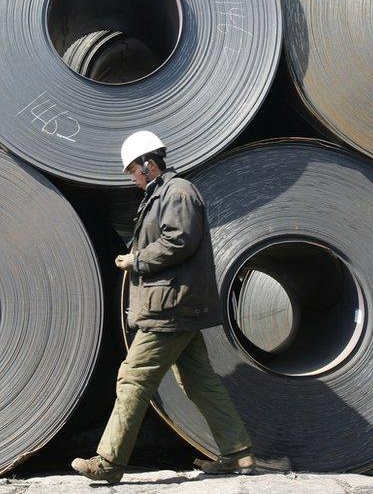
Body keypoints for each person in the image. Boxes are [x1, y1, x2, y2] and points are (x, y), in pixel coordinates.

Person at [71, 131, 255, 484]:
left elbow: (179, 240)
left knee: (133, 378)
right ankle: (238, 453)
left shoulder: (178, 192)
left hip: (171, 307)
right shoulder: (160, 195)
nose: (132, 178)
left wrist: (136, 260)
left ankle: (108, 463)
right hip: (175, 304)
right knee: (199, 381)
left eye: (133, 171)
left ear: (149, 164)